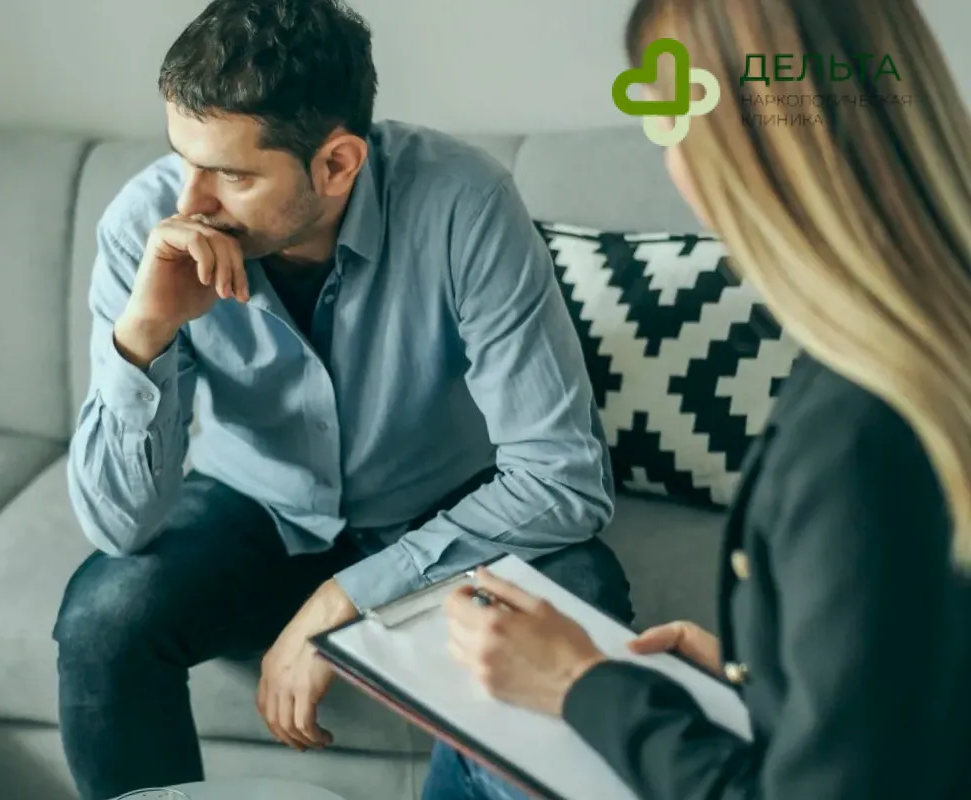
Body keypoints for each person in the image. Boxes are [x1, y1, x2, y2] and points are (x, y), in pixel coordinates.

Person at [53, 1, 634, 798]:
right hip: (256, 507)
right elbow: (118, 525)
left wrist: (344, 599)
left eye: (233, 175)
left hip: (443, 503)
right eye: (183, 158)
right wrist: (145, 333)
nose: (190, 201)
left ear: (337, 163)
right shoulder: (145, 228)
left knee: (585, 599)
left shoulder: (463, 204)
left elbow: (564, 479)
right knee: (102, 619)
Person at [424, 1, 971, 799]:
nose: (667, 155)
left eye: (668, 115)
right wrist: (764, 678)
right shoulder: (928, 355)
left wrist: (578, 684)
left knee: (480, 746)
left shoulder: (856, 432)